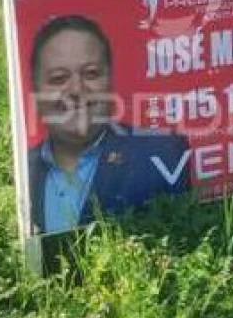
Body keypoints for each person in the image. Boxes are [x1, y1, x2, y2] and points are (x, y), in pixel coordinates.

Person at [26, 14, 190, 235]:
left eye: (91, 74)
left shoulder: (162, 153)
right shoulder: (21, 171)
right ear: (35, 92)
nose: (76, 90)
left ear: (110, 81)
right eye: (58, 78)